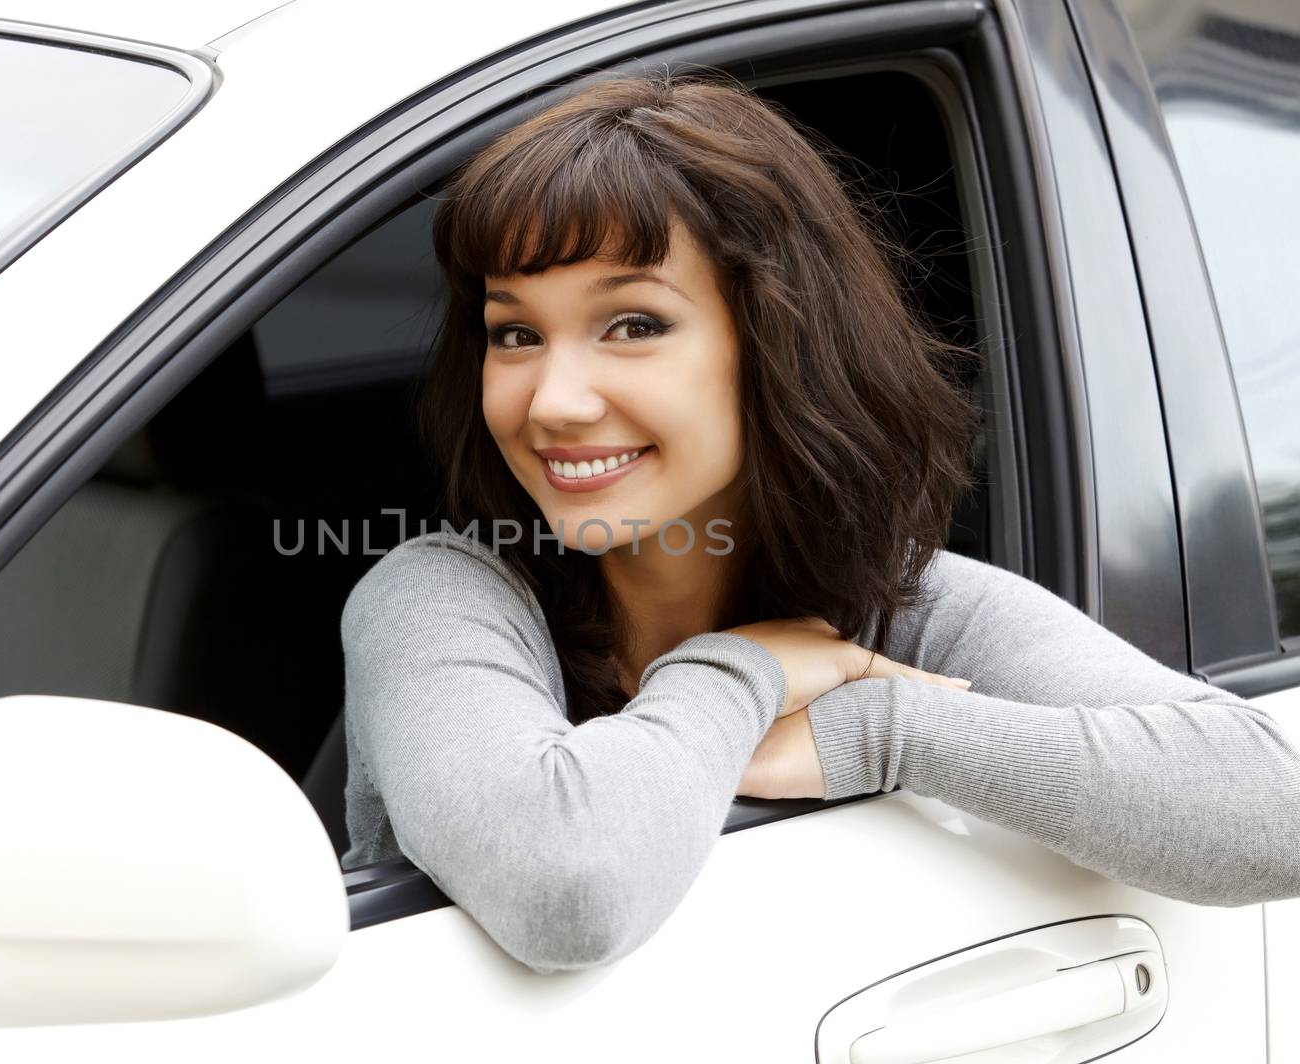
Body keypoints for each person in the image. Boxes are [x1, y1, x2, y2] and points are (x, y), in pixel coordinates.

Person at [336, 68, 1300, 974]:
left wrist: (886, 726)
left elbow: (1276, 808)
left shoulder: (898, 609)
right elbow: (563, 886)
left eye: (633, 324)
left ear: (774, 343)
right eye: (516, 333)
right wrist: (743, 672)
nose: (553, 400)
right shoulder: (439, 596)